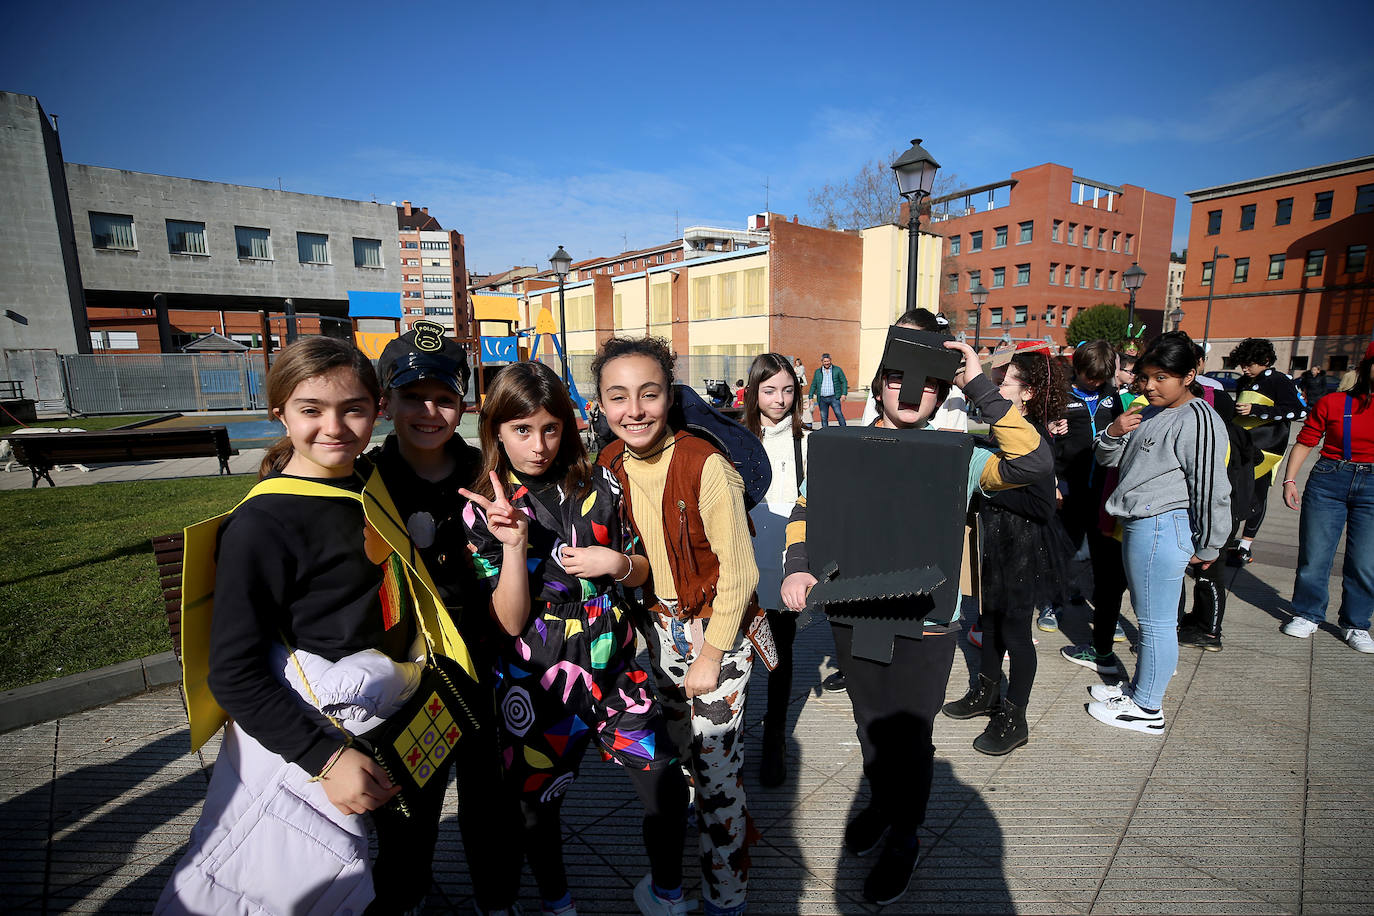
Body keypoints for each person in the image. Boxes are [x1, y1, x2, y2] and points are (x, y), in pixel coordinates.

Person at [157, 337, 440, 914]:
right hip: (315, 742)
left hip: (383, 713)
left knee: (388, 872)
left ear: (377, 408)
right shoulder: (263, 524)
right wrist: (326, 760)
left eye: (352, 408)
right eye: (311, 410)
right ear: (279, 412)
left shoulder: (363, 485)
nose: (333, 426)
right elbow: (233, 675)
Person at [780, 331, 1053, 906]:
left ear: (941, 391)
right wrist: (796, 568)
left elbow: (1032, 462)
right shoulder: (839, 446)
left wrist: (978, 384)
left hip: (927, 620)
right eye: (900, 379)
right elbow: (807, 510)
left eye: (930, 384)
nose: (912, 393)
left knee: (911, 734)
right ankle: (882, 805)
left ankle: (906, 834)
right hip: (856, 611)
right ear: (879, 383)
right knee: (869, 723)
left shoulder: (961, 453)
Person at [460, 359, 689, 916]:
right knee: (537, 806)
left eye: (550, 427)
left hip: (614, 669)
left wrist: (619, 563)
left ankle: (667, 893)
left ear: (567, 426)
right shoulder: (485, 508)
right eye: (520, 429)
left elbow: (642, 570)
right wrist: (513, 547)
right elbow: (510, 622)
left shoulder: (602, 485)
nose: (537, 444)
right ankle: (558, 902)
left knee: (664, 784)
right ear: (495, 432)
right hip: (536, 680)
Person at [593, 336, 760, 916]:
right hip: (653, 633)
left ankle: (727, 895)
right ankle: (689, 869)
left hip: (717, 630)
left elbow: (739, 570)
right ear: (601, 405)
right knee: (682, 761)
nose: (633, 410)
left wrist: (713, 653)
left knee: (716, 775)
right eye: (618, 397)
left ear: (670, 397)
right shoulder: (608, 463)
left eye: (648, 394)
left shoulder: (705, 465)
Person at [370, 322, 523, 914]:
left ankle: (498, 900)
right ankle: (405, 899)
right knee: (410, 807)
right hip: (406, 679)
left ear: (463, 402)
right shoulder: (366, 482)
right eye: (413, 396)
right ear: (387, 402)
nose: (429, 411)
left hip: (484, 671)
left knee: (491, 805)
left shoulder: (489, 475)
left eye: (443, 397)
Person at [1086, 333, 1231, 735]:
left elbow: (1211, 485)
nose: (1149, 385)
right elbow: (1108, 458)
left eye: (1161, 377)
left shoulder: (1197, 418)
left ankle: (1147, 707)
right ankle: (1138, 691)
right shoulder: (1150, 411)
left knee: (1155, 623)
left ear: (1189, 375)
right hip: (1141, 523)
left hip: (1162, 525)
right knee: (1152, 619)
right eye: (1146, 376)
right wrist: (1114, 431)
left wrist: (1211, 542)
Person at [941, 350, 1071, 756]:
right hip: (997, 540)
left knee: (1017, 634)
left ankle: (1015, 716)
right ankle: (987, 692)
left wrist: (986, 488)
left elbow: (1042, 505)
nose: (999, 389)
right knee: (990, 623)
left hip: (1024, 546)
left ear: (1029, 393)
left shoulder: (1031, 434)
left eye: (1007, 382)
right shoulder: (1012, 427)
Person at [742, 352, 810, 786]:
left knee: (780, 658)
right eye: (770, 390)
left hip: (785, 558)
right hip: (744, 554)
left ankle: (774, 741)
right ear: (753, 392)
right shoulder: (736, 437)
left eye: (788, 389)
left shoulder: (807, 441)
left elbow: (811, 500)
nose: (780, 399)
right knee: (738, 651)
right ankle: (727, 736)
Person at [1279, 345, 1374, 654]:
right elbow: (1305, 441)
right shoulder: (1334, 402)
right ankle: (1307, 613)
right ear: (1365, 368)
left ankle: (1356, 623)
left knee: (1365, 562)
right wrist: (1290, 479)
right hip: (1329, 480)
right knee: (1315, 555)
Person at [1173, 335, 1255, 654]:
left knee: (1210, 567)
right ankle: (1197, 620)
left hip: (1221, 493)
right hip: (1199, 495)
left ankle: (1210, 631)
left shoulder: (1214, 399)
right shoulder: (1202, 398)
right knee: (1199, 567)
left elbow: (1228, 456)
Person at [1054, 340, 1130, 672]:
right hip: (1070, 487)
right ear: (1077, 368)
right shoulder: (1062, 397)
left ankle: (1105, 618)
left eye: (1101, 378)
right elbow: (1048, 442)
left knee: (1106, 562)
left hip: (1104, 493)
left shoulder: (1115, 397)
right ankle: (1052, 602)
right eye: (1089, 377)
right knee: (1061, 549)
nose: (1095, 384)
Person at [1227, 337, 1307, 565]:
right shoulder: (1244, 381)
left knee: (1257, 495)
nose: (1244, 368)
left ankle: (1245, 546)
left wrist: (1257, 410)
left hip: (1267, 449)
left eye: (1249, 363)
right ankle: (1227, 541)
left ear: (1266, 360)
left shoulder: (1280, 380)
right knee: (1233, 493)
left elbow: (1298, 412)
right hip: (1241, 446)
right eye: (1242, 363)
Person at [859, 309, 969, 431]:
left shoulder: (946, 387)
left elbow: (959, 437)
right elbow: (867, 429)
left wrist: (977, 387)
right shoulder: (888, 384)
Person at [809, 352, 848, 427]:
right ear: (822, 362)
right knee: (824, 417)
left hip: (834, 397)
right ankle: (825, 433)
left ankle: (844, 430)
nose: (826, 363)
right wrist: (810, 397)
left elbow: (844, 382)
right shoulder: (818, 372)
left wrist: (844, 394)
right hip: (822, 399)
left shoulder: (837, 370)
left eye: (828, 361)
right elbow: (814, 384)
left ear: (830, 360)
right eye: (825, 361)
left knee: (838, 414)